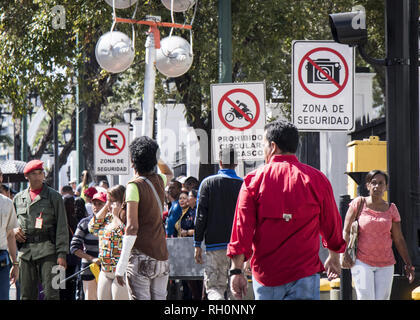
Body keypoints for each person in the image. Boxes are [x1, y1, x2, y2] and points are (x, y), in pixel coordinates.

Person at [227, 120, 346, 300]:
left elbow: (241, 229)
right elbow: (332, 223)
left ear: (273, 146)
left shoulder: (253, 181)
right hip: (305, 273)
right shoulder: (317, 179)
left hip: (267, 276)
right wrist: (334, 256)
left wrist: (236, 270)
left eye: (263, 145)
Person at [342, 170, 415, 300]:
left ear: (386, 187)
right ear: (367, 185)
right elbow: (346, 230)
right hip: (361, 261)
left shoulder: (392, 209)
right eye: (373, 183)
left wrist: (408, 264)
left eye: (381, 183)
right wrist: (344, 252)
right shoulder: (358, 204)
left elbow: (398, 239)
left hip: (386, 264)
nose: (377, 186)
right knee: (365, 297)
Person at [115, 136, 173, 300]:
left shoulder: (134, 185)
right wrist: (155, 155)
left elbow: (132, 227)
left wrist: (122, 264)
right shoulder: (159, 181)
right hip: (162, 256)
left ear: (133, 161)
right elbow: (169, 172)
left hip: (141, 257)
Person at [13, 159, 69, 300]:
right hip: (25, 254)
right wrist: (14, 231)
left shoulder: (54, 196)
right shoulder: (19, 198)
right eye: (34, 174)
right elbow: (11, 224)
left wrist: (62, 254)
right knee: (26, 295)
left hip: (50, 252)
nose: (38, 177)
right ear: (27, 176)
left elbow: (62, 226)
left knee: (53, 294)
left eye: (40, 173)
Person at [194, 147, 243, 300]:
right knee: (235, 289)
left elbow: (201, 216)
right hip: (238, 247)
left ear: (220, 162)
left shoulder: (207, 183)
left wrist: (197, 243)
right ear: (236, 163)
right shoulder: (244, 184)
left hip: (214, 246)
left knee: (215, 287)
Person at [88, 186, 129, 300]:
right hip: (105, 270)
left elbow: (124, 234)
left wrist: (117, 214)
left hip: (120, 272)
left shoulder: (128, 218)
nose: (109, 204)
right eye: (108, 200)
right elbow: (92, 227)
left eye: (112, 201)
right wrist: (107, 206)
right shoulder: (107, 218)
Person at [70, 193, 103, 300]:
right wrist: (92, 259)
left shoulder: (113, 222)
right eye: (94, 204)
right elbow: (74, 248)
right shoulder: (84, 223)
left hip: (109, 269)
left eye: (100, 204)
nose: (96, 207)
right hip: (89, 269)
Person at [0, 167, 19, 300]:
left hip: (2, 259)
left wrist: (15, 263)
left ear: (1, 177)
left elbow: (11, 234)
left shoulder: (7, 203)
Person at [60, 195, 80, 300]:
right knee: (71, 288)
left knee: (58, 287)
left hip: (60, 258)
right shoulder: (75, 220)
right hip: (73, 259)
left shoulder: (59, 220)